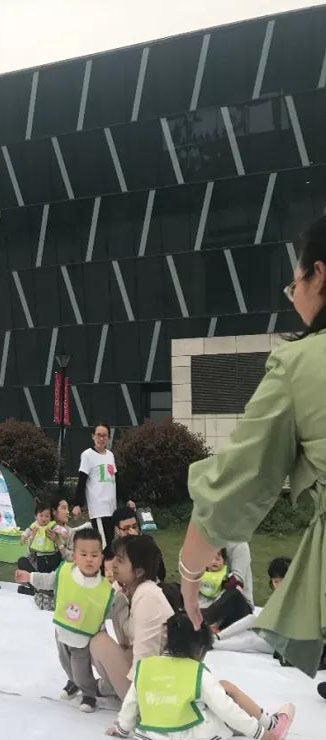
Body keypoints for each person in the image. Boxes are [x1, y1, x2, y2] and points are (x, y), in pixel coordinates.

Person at [179, 216, 326, 687]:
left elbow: (241, 480)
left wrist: (188, 572)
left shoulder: (303, 364)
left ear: (319, 274)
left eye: (295, 283)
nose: (294, 296)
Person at [107, 614, 295, 740]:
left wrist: (122, 729)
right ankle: (271, 725)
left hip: (149, 735)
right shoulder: (197, 672)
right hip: (192, 734)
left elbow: (131, 704)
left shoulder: (144, 667)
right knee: (226, 690)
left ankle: (265, 723)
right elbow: (227, 709)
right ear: (199, 648)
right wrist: (260, 734)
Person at [16, 529, 113, 713]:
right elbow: (48, 581)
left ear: (101, 558)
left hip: (83, 637)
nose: (89, 559)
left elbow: (110, 610)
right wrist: (29, 577)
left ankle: (89, 694)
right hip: (62, 630)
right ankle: (73, 682)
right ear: (74, 556)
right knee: (65, 662)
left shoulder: (105, 588)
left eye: (94, 555)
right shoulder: (65, 572)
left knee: (81, 668)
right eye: (83, 554)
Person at [89, 535, 175, 700]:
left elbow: (145, 657)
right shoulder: (123, 588)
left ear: (139, 571)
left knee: (99, 641)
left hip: (156, 681)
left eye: (120, 561)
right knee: (90, 632)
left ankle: (135, 701)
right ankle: (113, 687)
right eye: (115, 557)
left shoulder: (148, 596)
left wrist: (137, 703)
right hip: (143, 665)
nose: (113, 564)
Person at [214, 557, 290, 655]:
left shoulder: (295, 598)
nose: (279, 585)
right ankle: (217, 637)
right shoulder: (278, 597)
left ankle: (214, 645)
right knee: (251, 618)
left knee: (252, 641)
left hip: (285, 645)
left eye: (283, 581)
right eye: (276, 582)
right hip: (275, 635)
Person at [73, 423, 130, 549]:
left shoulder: (110, 455)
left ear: (108, 437)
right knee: (103, 545)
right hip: (98, 508)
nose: (101, 438)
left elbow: (116, 480)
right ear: (93, 436)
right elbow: (82, 481)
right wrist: (78, 504)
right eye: (99, 435)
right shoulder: (87, 455)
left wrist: (127, 500)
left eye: (105, 435)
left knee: (110, 541)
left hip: (111, 508)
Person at [197, 548, 253, 633]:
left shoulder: (225, 575)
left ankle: (204, 619)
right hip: (204, 605)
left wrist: (236, 585)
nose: (214, 562)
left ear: (224, 561)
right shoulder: (200, 573)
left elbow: (235, 583)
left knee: (234, 594)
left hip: (224, 610)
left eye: (218, 559)